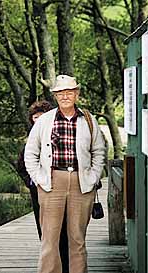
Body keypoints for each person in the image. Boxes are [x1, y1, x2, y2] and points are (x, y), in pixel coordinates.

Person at [24, 75, 106, 273]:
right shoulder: (44, 120)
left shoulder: (88, 120)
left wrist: (94, 177)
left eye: (69, 92)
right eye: (60, 93)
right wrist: (39, 179)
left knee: (77, 238)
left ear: (76, 94)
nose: (65, 96)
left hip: (81, 182)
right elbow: (30, 153)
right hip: (52, 182)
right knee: (49, 238)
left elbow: (99, 151)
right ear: (55, 96)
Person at [16, 100, 70, 273]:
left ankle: (66, 266)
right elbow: (21, 166)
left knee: (63, 230)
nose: (38, 121)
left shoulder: (60, 135)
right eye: (35, 118)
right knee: (45, 232)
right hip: (38, 192)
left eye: (42, 117)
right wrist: (32, 181)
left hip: (61, 189)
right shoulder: (30, 140)